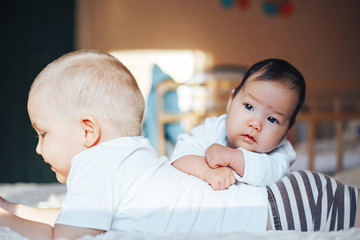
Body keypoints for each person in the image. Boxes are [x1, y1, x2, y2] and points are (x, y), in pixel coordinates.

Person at [0, 50, 358, 240]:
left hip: (285, 211)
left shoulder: (96, 165)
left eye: (42, 133)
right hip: (294, 198)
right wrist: (12, 209)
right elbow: (72, 220)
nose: (37, 147)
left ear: (88, 132)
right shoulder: (129, 155)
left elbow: (67, 236)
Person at [171, 59, 306, 190]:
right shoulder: (213, 128)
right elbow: (180, 155)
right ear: (231, 101)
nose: (255, 124)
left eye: (272, 119)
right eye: (248, 106)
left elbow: (272, 174)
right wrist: (207, 172)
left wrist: (233, 157)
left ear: (286, 130)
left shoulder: (282, 152)